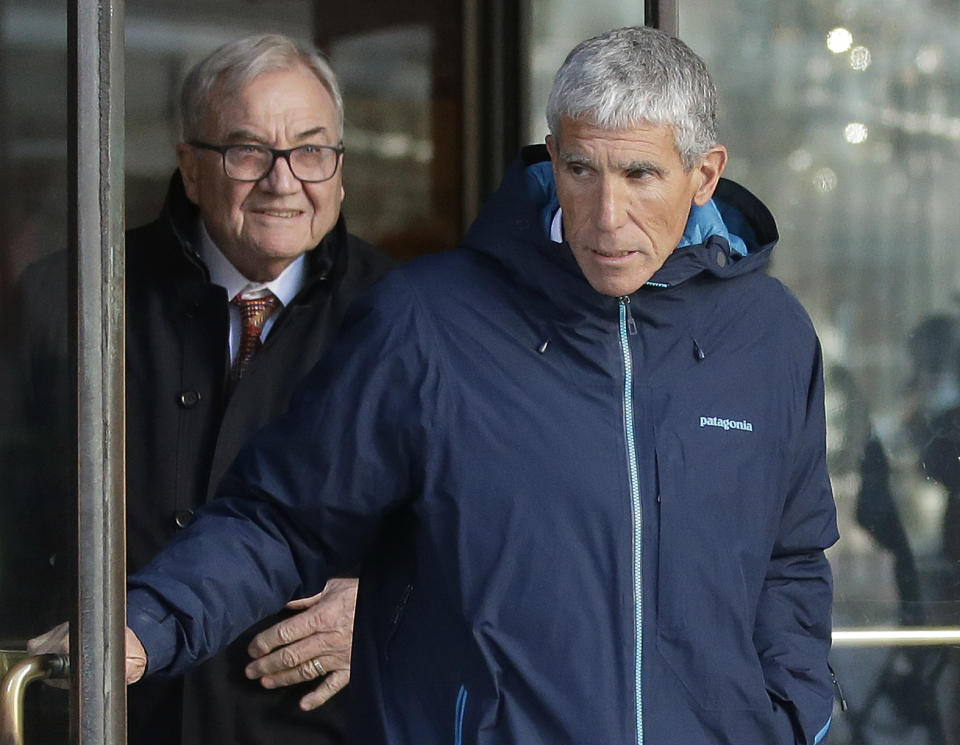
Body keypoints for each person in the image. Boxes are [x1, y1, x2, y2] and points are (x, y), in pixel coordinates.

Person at [47, 26, 837, 744]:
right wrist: (148, 622)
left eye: (640, 173)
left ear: (705, 174)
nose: (606, 213)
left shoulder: (769, 336)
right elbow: (284, 516)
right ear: (553, 155)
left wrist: (790, 713)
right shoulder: (429, 322)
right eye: (580, 169)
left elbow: (792, 557)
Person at [21, 33, 394, 745]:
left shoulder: (406, 318)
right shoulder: (64, 300)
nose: (284, 182)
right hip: (96, 721)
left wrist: (387, 607)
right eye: (248, 150)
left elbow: (479, 536)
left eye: (313, 151)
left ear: (341, 174)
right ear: (191, 168)